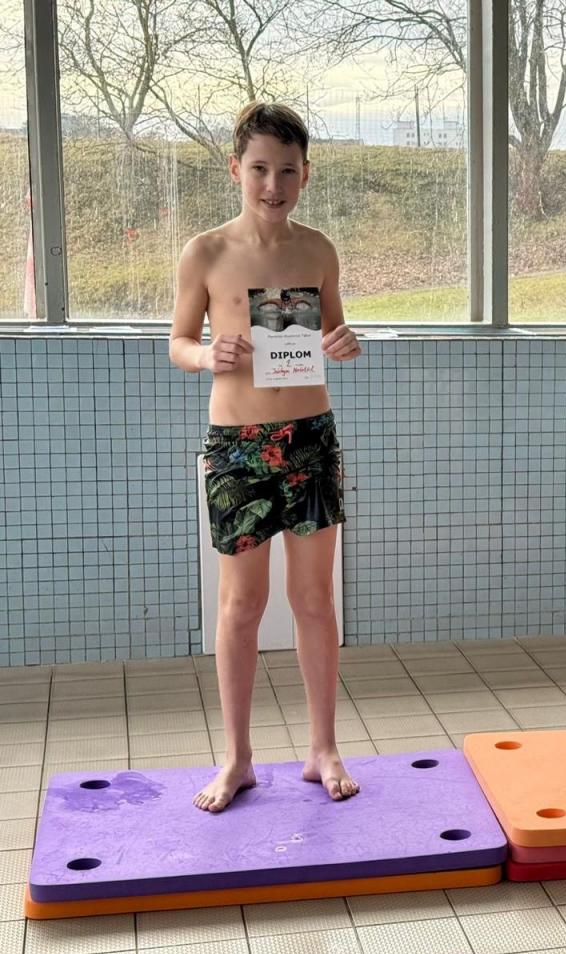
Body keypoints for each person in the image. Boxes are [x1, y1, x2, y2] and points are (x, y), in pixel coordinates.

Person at [169, 102, 362, 811]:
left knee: (313, 599)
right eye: (259, 169)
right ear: (235, 169)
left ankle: (323, 747)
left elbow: (335, 330)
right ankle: (238, 758)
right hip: (238, 447)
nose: (272, 185)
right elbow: (178, 341)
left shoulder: (317, 251)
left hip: (310, 438)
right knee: (241, 603)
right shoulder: (206, 253)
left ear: (306, 174)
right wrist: (204, 355)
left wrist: (345, 341)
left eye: (286, 171)